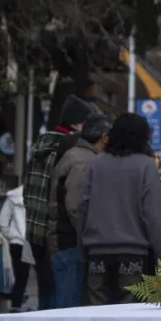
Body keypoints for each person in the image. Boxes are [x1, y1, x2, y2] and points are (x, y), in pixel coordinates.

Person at [76, 114, 161, 305]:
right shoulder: (145, 166)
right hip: (133, 253)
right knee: (128, 315)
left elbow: (82, 207)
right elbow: (153, 215)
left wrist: (82, 248)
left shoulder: (95, 164)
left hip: (97, 250)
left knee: (96, 313)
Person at [23, 94, 93, 308]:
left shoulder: (40, 145)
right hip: (54, 232)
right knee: (62, 297)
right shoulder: (66, 148)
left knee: (45, 293)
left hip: (34, 229)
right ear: (76, 124)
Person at [47, 113, 112, 308]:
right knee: (68, 308)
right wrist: (90, 239)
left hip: (65, 242)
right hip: (70, 244)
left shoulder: (77, 155)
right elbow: (75, 208)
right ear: (104, 136)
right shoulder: (84, 162)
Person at [0, 184, 31, 312]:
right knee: (40, 276)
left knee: (20, 277)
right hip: (30, 240)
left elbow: (2, 220)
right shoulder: (37, 193)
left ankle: (15, 305)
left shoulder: (13, 197)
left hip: (16, 242)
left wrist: (10, 235)